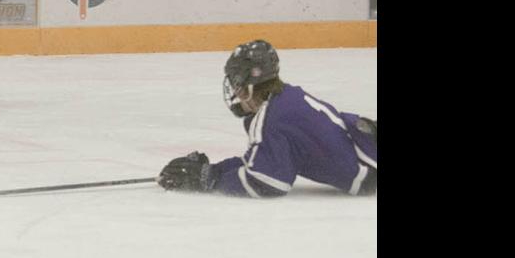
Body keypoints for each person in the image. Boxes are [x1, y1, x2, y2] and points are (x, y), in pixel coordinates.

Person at [158, 40, 378, 198]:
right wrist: (216, 170)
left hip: (370, 176)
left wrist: (210, 180)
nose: (234, 90)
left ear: (248, 86)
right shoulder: (286, 97)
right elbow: (265, 158)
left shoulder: (271, 119)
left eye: (236, 83)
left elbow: (267, 182)